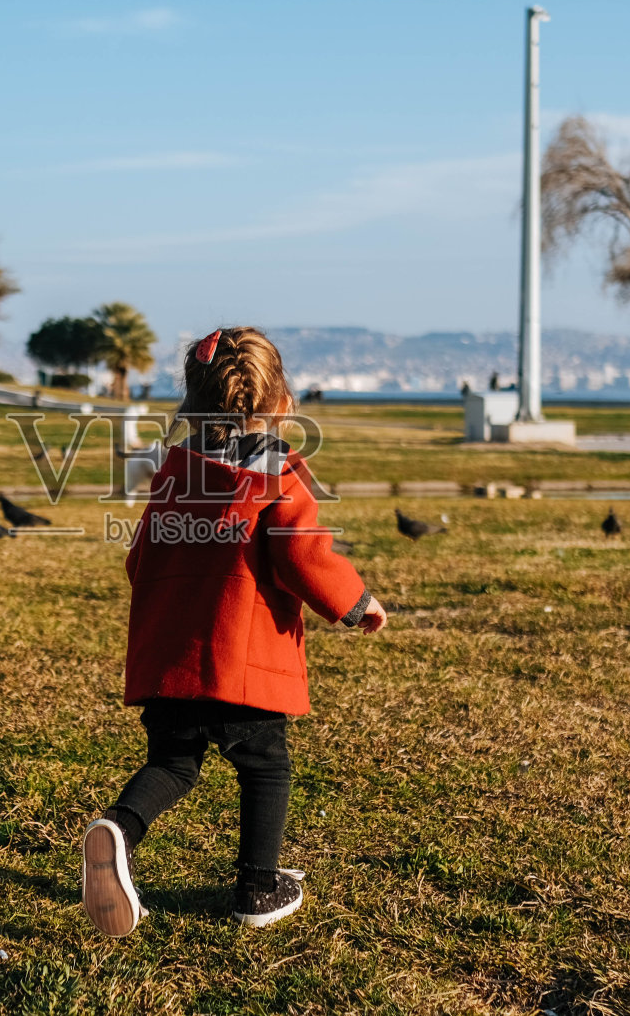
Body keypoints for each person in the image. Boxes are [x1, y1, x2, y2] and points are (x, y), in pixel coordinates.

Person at [82, 327, 387, 937]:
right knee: (265, 765)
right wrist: (356, 603)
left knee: (173, 762)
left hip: (172, 660)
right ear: (280, 400)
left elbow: (138, 559)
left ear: (191, 402)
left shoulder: (174, 470)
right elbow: (303, 556)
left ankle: (120, 826)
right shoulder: (278, 473)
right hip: (239, 664)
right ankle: (257, 886)